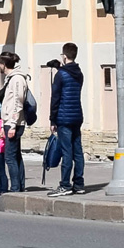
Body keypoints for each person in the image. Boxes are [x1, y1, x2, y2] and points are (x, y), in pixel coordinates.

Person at [48, 43, 85, 196]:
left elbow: (55, 98)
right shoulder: (79, 73)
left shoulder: (60, 75)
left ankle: (65, 185)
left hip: (63, 117)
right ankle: (79, 183)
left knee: (66, 151)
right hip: (77, 116)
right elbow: (69, 84)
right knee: (78, 151)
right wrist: (59, 68)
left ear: (64, 55)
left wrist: (52, 120)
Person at [0, 51, 30, 193]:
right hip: (10, 121)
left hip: (14, 123)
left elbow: (18, 102)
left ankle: (15, 188)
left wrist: (12, 125)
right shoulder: (10, 78)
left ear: (4, 64)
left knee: (9, 157)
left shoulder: (17, 79)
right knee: (15, 156)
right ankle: (19, 186)